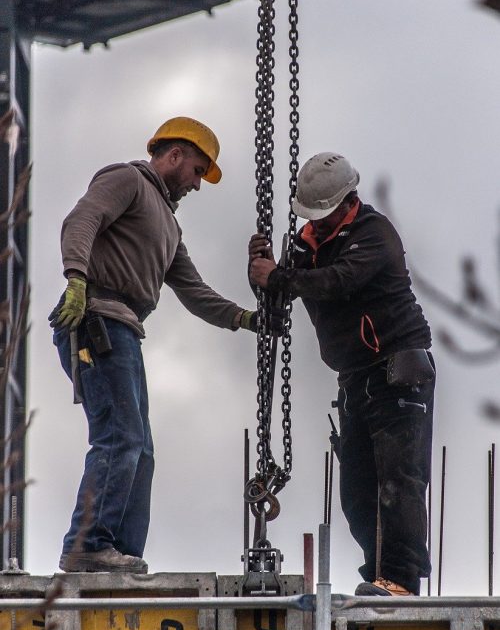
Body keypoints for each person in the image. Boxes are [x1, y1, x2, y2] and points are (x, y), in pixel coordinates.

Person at [50, 116, 260, 573]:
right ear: (175, 154)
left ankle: (119, 552)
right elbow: (81, 219)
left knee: (140, 448)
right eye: (199, 172)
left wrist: (244, 320)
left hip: (123, 330)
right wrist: (76, 277)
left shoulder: (167, 226)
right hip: (95, 320)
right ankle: (88, 544)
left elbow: (194, 291)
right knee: (119, 436)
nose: (198, 185)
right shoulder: (127, 180)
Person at [249, 152, 435, 597]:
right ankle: (379, 573)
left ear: (348, 200)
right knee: (356, 493)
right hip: (355, 379)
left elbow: (337, 281)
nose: (317, 224)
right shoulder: (307, 242)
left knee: (399, 480)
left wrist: (278, 277)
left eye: (324, 215)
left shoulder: (374, 234)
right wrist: (263, 272)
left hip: (398, 373)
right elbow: (282, 291)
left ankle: (401, 579)